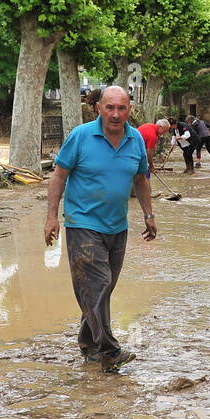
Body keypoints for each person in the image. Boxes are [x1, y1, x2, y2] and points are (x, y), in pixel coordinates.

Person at [44, 86, 156, 373]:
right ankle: (109, 350)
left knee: (100, 291)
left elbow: (141, 179)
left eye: (121, 108)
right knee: (98, 285)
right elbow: (58, 176)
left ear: (130, 109)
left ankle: (88, 344)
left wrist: (149, 214)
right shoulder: (81, 136)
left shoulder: (135, 141)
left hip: (118, 227)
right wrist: (52, 217)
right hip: (82, 224)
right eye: (110, 108)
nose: (115, 114)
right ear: (98, 108)